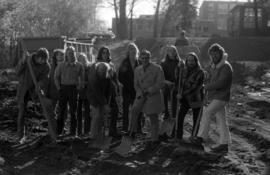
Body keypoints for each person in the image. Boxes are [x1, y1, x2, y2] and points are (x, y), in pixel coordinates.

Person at [192, 43, 233, 154]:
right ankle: (224, 144)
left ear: (221, 54)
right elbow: (210, 78)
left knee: (207, 112)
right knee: (221, 120)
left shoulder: (225, 66)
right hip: (216, 96)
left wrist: (207, 86)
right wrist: (207, 77)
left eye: (216, 55)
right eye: (212, 55)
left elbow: (221, 83)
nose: (214, 57)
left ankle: (201, 137)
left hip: (221, 97)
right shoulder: (214, 66)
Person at [16, 48, 50, 140]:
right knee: (22, 112)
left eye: (45, 60)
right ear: (38, 57)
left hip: (35, 90)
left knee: (47, 107)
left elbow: (45, 78)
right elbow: (18, 72)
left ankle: (51, 131)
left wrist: (40, 84)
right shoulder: (28, 60)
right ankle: (20, 136)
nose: (44, 62)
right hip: (23, 89)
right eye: (42, 60)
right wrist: (23, 62)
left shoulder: (46, 66)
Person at [133, 50, 165, 149]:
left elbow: (160, 83)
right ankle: (131, 133)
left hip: (153, 96)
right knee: (134, 111)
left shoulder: (157, 68)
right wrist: (139, 92)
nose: (145, 60)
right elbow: (136, 84)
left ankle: (154, 139)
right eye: (142, 58)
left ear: (149, 58)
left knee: (153, 117)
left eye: (147, 58)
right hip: (141, 95)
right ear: (140, 58)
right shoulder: (137, 69)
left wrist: (149, 90)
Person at [54, 46, 84, 136]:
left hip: (73, 89)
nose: (71, 54)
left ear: (75, 53)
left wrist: (79, 86)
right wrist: (59, 87)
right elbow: (56, 77)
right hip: (63, 89)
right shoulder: (61, 65)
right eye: (69, 52)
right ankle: (59, 131)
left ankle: (73, 132)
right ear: (66, 54)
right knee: (61, 111)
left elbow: (82, 78)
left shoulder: (79, 65)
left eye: (73, 52)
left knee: (73, 112)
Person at [176, 52, 205, 140]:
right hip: (185, 99)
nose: (190, 62)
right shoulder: (184, 71)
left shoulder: (200, 72)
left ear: (196, 61)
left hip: (196, 98)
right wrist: (178, 68)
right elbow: (179, 81)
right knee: (180, 117)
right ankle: (178, 136)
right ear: (186, 61)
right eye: (189, 60)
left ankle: (194, 137)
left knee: (196, 120)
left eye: (192, 60)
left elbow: (195, 87)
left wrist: (182, 94)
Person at [96, 46, 120, 139]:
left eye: (107, 53)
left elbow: (115, 78)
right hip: (102, 91)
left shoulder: (112, 65)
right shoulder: (97, 65)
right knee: (102, 112)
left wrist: (118, 85)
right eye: (103, 52)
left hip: (112, 91)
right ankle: (100, 134)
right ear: (100, 54)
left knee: (115, 111)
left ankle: (112, 131)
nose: (105, 54)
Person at [118, 43, 142, 134]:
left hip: (137, 90)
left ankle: (138, 128)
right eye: (130, 49)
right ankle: (125, 128)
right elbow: (120, 77)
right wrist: (125, 85)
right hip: (127, 90)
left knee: (138, 110)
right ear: (128, 51)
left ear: (136, 50)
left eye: (134, 48)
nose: (132, 50)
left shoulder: (139, 62)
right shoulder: (124, 62)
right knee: (126, 110)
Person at [87, 61, 113, 140]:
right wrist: (105, 104)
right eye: (101, 70)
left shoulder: (107, 77)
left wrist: (107, 103)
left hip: (103, 98)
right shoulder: (93, 78)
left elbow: (109, 91)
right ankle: (93, 136)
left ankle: (99, 135)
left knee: (101, 117)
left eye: (104, 70)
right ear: (98, 69)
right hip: (93, 97)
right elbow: (97, 92)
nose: (102, 72)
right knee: (96, 116)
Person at [160, 45, 181, 119]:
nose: (172, 52)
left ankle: (174, 115)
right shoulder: (163, 63)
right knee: (164, 91)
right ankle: (166, 112)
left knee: (175, 94)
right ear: (167, 53)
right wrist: (167, 82)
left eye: (173, 51)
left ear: (176, 52)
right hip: (167, 83)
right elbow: (161, 77)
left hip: (177, 84)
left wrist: (177, 84)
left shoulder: (180, 63)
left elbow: (182, 76)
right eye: (170, 51)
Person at [77, 53, 91, 136]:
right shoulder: (76, 68)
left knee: (87, 112)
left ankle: (86, 130)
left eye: (82, 59)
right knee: (78, 113)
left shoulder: (89, 68)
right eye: (79, 59)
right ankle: (78, 131)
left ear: (85, 59)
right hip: (78, 93)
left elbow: (92, 80)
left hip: (87, 93)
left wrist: (84, 83)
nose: (81, 60)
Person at [47, 49, 64, 114]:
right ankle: (52, 121)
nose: (63, 56)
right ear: (56, 56)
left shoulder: (65, 65)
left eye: (63, 55)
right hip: (53, 89)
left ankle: (62, 121)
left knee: (63, 107)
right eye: (61, 55)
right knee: (52, 107)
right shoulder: (51, 66)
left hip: (62, 88)